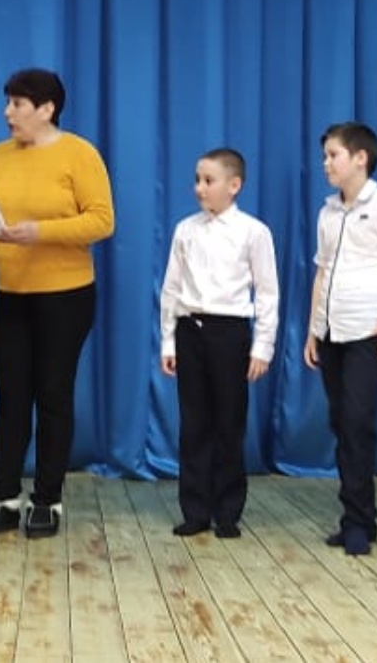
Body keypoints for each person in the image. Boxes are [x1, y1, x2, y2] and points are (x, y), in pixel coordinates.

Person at [0, 68, 114, 539]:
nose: (7, 113)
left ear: (47, 109)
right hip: (11, 293)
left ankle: (47, 500)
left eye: (17, 104)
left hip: (65, 296)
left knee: (52, 396)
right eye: (7, 103)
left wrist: (40, 232)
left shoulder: (79, 154)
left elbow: (102, 221)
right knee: (10, 399)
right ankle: (3, 498)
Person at [302, 122, 377, 557]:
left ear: (360, 158)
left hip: (367, 332)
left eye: (333, 155)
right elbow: (322, 272)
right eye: (324, 156)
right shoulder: (327, 212)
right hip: (331, 332)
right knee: (341, 423)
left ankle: (357, 522)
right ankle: (358, 517)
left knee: (357, 422)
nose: (326, 164)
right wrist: (313, 329)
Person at [159, 148, 278, 539]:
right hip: (190, 329)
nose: (199, 188)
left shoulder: (253, 232)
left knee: (229, 422)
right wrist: (169, 342)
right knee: (194, 423)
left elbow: (267, 292)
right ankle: (195, 510)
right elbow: (171, 288)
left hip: (230, 333)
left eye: (208, 181)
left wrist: (262, 347)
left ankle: (228, 512)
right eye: (197, 179)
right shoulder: (185, 230)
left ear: (234, 185)